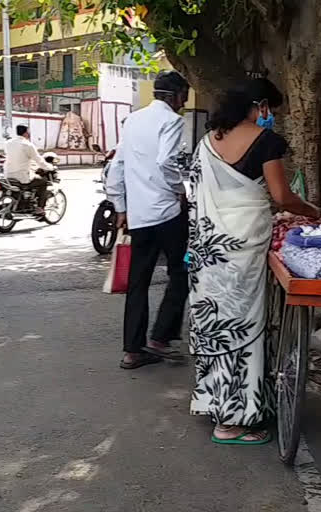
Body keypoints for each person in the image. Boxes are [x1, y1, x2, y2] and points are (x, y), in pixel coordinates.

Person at [188, 79, 321, 444]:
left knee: (215, 321)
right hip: (243, 247)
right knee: (245, 326)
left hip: (207, 247)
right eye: (271, 111)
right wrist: (311, 211)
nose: (271, 118)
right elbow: (281, 195)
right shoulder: (267, 142)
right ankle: (234, 422)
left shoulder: (208, 141)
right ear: (260, 105)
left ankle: (213, 402)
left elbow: (198, 196)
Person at [106, 70, 192, 370]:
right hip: (167, 212)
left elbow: (117, 166)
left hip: (139, 215)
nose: (185, 102)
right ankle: (160, 337)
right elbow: (167, 162)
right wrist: (180, 190)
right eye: (184, 95)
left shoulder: (133, 120)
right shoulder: (171, 121)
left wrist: (120, 207)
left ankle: (132, 350)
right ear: (174, 95)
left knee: (137, 282)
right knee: (180, 273)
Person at [3, 125, 53, 215]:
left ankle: (26, 200)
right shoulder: (28, 145)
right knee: (43, 181)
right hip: (21, 176)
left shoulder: (8, 143)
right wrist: (49, 167)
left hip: (8, 174)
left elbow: (17, 157)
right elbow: (38, 160)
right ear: (26, 133)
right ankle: (40, 208)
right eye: (28, 132)